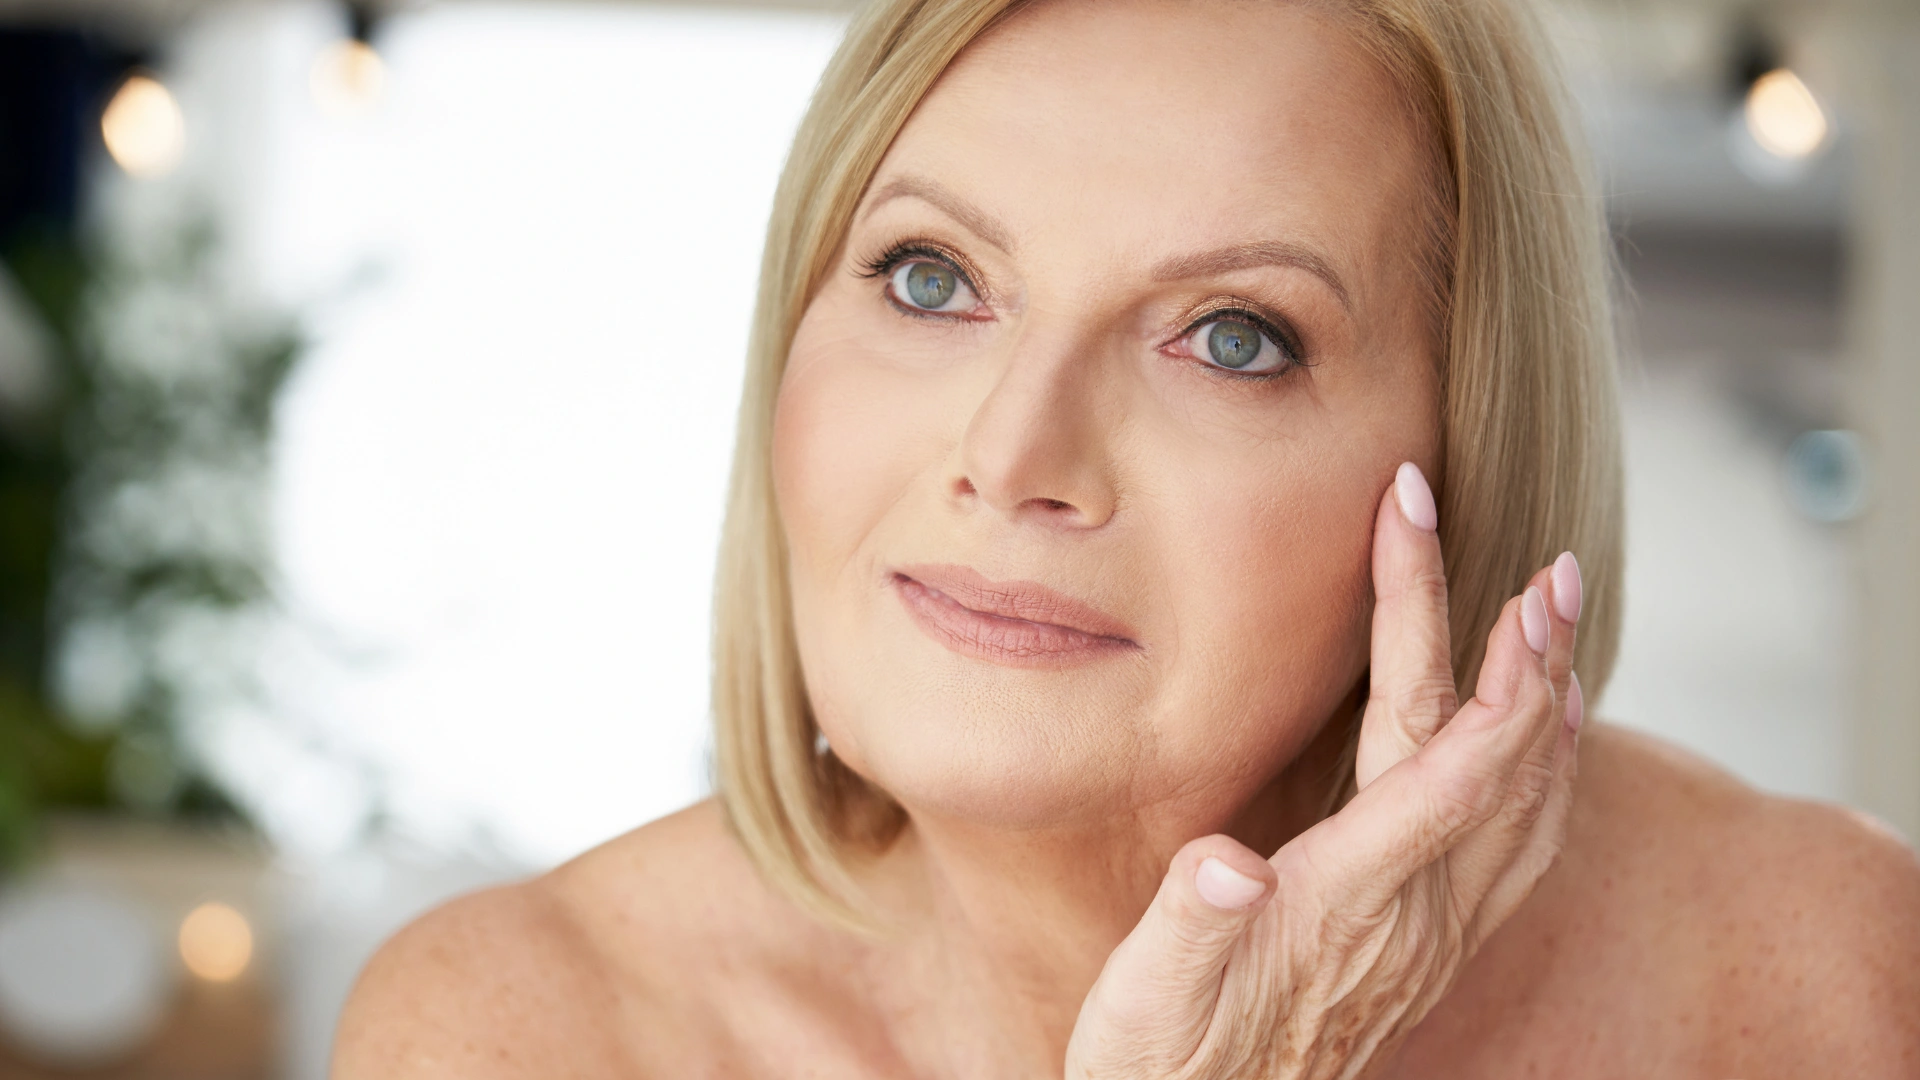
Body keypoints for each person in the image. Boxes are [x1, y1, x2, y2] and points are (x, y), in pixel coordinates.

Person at [331, 0, 1920, 1075]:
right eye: (931, 278)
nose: (1014, 455)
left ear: (1468, 450)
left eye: (1232, 337)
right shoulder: (515, 1031)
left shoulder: (1810, 979)